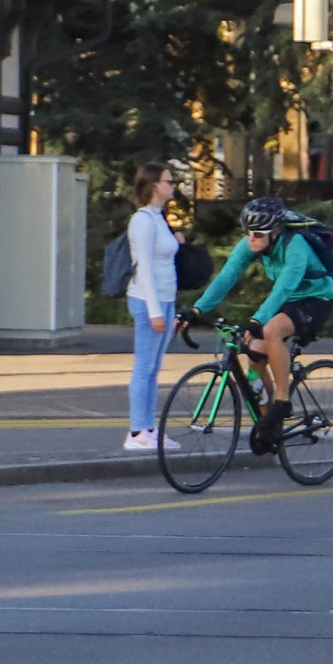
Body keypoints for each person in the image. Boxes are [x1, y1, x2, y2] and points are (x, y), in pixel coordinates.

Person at [190, 196, 333, 453]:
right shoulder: (253, 243)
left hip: (316, 298)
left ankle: (282, 401)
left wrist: (258, 319)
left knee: (271, 330)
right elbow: (227, 276)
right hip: (288, 300)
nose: (251, 238)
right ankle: (271, 424)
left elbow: (285, 286)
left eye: (257, 233)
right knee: (254, 353)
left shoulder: (296, 245)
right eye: (247, 232)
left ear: (275, 231)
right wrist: (197, 309)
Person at [123, 163, 184, 452]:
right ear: (153, 185)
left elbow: (165, 256)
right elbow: (144, 267)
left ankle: (149, 428)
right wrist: (154, 311)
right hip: (149, 300)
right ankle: (136, 431)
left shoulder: (159, 218)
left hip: (166, 299)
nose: (173, 186)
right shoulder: (143, 220)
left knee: (154, 369)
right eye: (168, 181)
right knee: (144, 367)